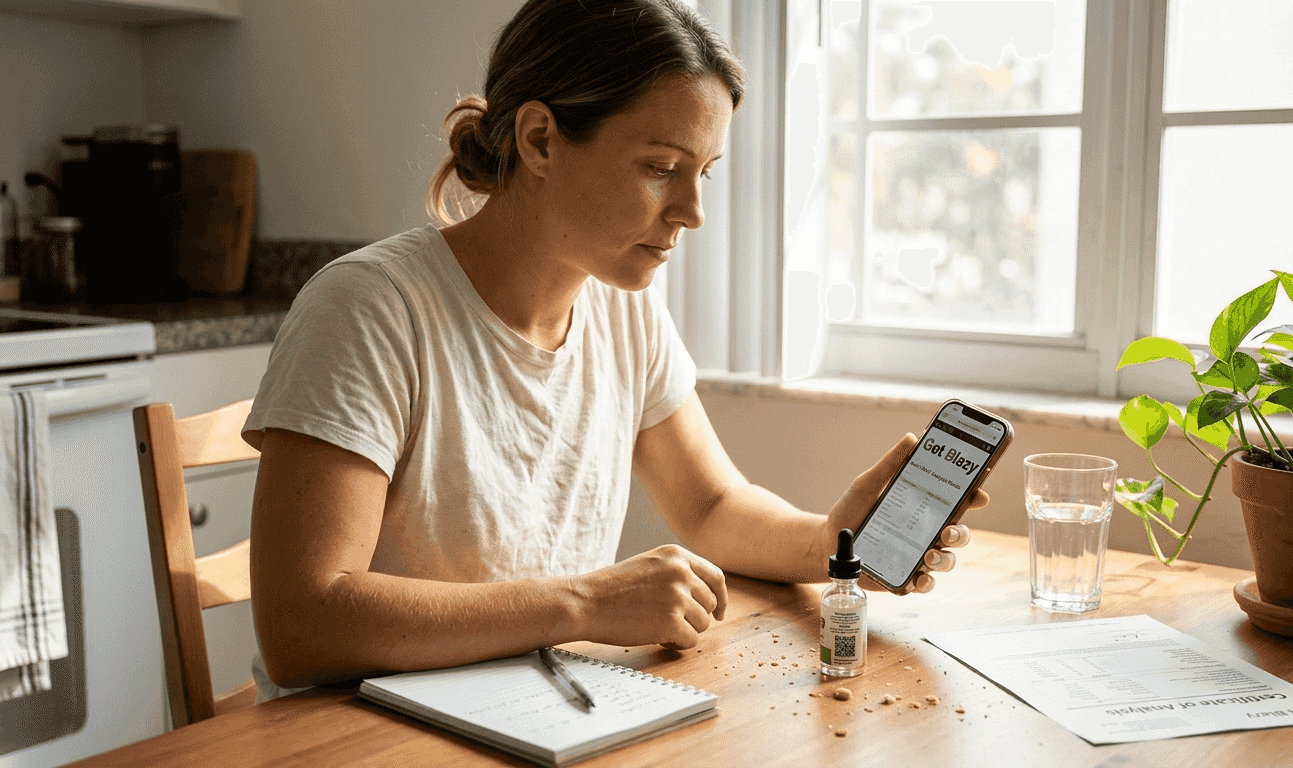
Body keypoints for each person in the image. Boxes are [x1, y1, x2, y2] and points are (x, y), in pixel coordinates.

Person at [243, 0, 985, 702]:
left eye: (705, 173)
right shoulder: (369, 309)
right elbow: (303, 623)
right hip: (359, 732)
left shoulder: (623, 304)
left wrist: (831, 540)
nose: (693, 212)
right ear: (539, 140)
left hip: (544, 707)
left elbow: (713, 504)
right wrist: (585, 602)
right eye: (661, 167)